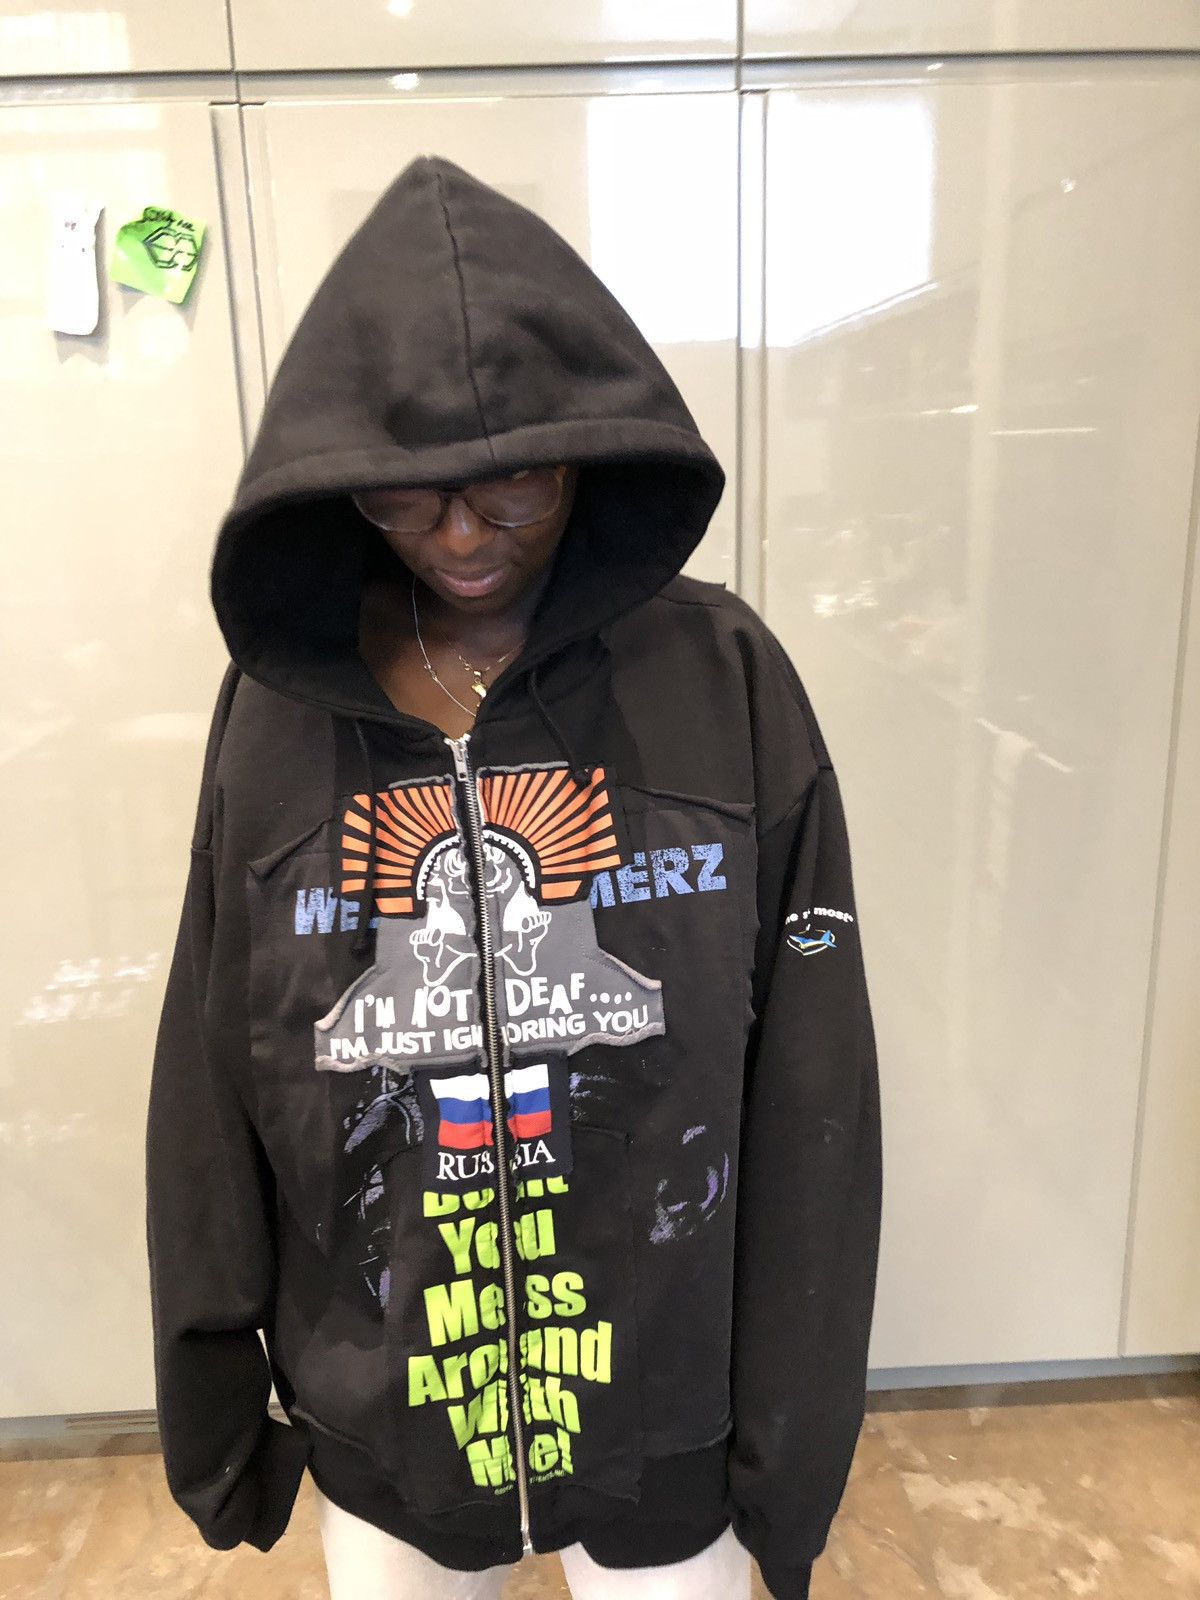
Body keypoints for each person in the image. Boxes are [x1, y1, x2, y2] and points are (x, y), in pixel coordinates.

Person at [144, 153, 883, 1600]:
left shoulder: (723, 678)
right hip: (389, 1418)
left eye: (516, 481)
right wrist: (214, 1402)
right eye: (407, 496)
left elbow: (815, 1078)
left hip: (667, 1410)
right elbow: (214, 1061)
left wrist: (792, 1443)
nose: (465, 535)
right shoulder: (279, 712)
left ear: (588, 456)